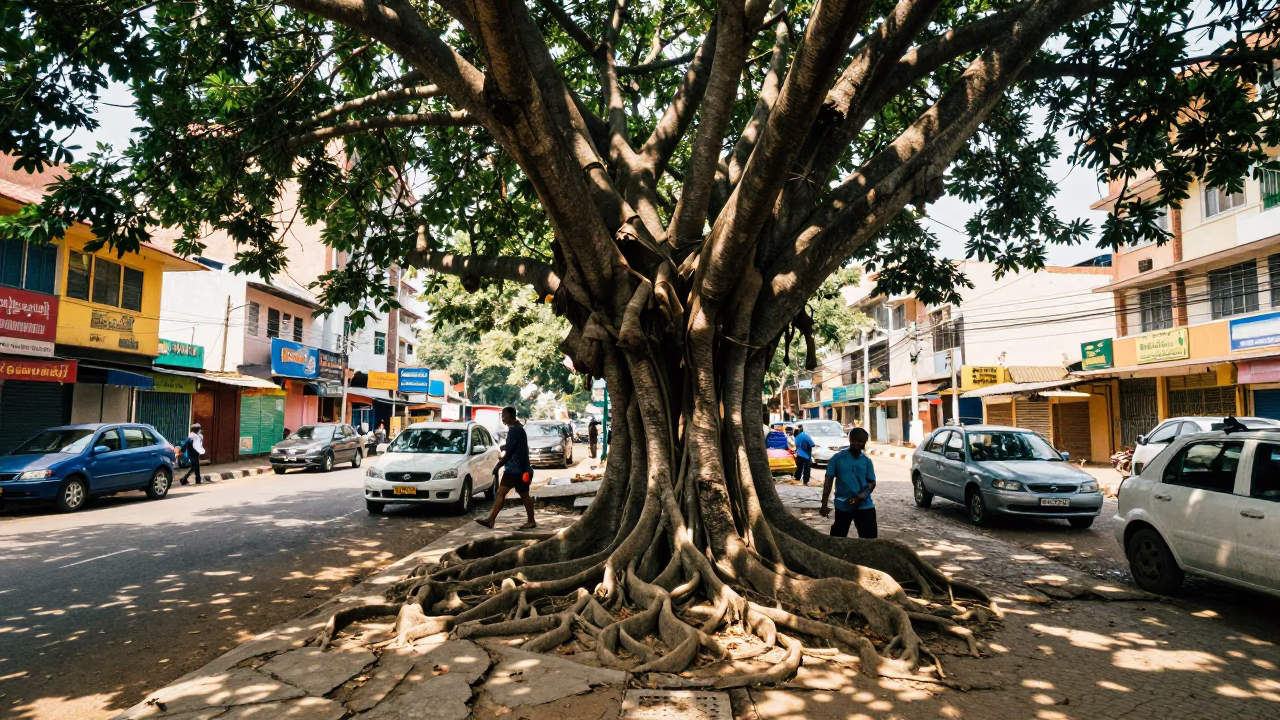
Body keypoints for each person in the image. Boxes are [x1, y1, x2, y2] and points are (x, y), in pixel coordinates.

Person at [476, 407, 536, 530]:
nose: (502, 418)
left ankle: (491, 519)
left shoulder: (514, 430)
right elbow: (514, 446)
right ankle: (531, 520)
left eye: (503, 415)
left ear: (509, 414)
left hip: (514, 469)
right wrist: (504, 446)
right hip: (522, 469)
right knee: (524, 495)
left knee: (501, 493)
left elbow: (509, 453)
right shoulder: (519, 429)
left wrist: (498, 466)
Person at [820, 427, 876, 538]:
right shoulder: (837, 458)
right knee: (838, 537)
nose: (859, 444)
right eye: (857, 440)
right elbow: (828, 483)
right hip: (843, 505)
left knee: (870, 539)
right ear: (850, 440)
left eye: (862, 442)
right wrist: (824, 504)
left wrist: (860, 497)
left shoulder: (866, 461)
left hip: (865, 506)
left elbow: (872, 483)